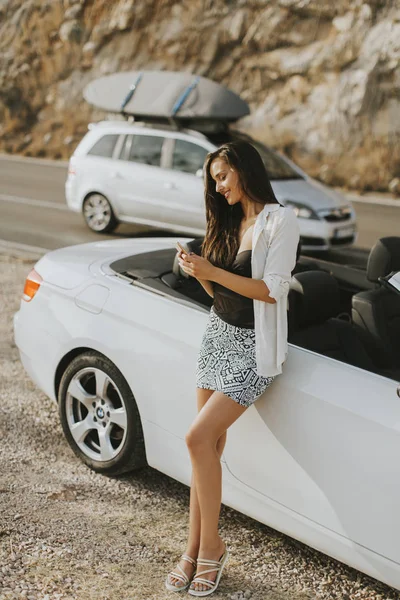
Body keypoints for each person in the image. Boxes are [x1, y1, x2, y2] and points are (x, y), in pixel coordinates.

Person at [165, 140, 300, 596]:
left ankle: (213, 547)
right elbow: (220, 297)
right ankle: (193, 550)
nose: (217, 187)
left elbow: (270, 291)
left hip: (253, 348)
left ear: (243, 169)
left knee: (196, 438)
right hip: (217, 335)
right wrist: (197, 270)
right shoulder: (226, 221)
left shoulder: (281, 220)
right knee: (209, 449)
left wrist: (214, 271)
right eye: (213, 181)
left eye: (222, 176)